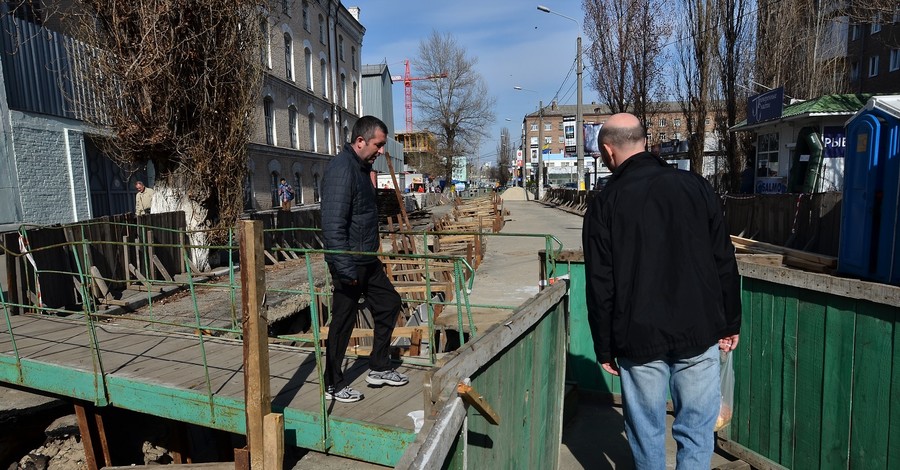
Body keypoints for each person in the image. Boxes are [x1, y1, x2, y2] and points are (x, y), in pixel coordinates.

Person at [582, 113, 741, 469]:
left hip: (637, 337)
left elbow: (600, 282)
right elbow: (724, 260)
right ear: (643, 141)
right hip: (699, 332)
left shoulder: (605, 204)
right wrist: (731, 322)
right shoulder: (697, 187)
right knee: (697, 430)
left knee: (646, 431)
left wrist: (604, 344)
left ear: (608, 151)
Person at [320, 115, 408, 403]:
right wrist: (345, 269)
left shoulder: (361, 167)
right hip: (350, 263)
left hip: (367, 259)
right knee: (343, 322)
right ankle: (332, 383)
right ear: (360, 141)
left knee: (389, 303)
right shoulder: (342, 170)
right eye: (378, 145)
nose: (381, 151)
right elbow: (333, 225)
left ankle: (379, 367)